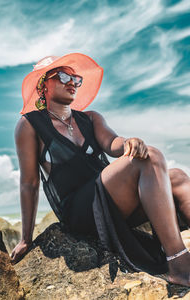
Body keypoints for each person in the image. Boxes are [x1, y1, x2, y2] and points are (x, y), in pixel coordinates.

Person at [11, 53, 190, 286]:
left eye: (76, 79)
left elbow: (112, 143)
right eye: (64, 76)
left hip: (112, 200)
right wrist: (26, 238)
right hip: (80, 210)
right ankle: (179, 264)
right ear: (43, 84)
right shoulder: (30, 124)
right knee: (152, 157)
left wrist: (127, 142)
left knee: (176, 176)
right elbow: (29, 183)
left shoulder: (91, 118)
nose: (72, 83)